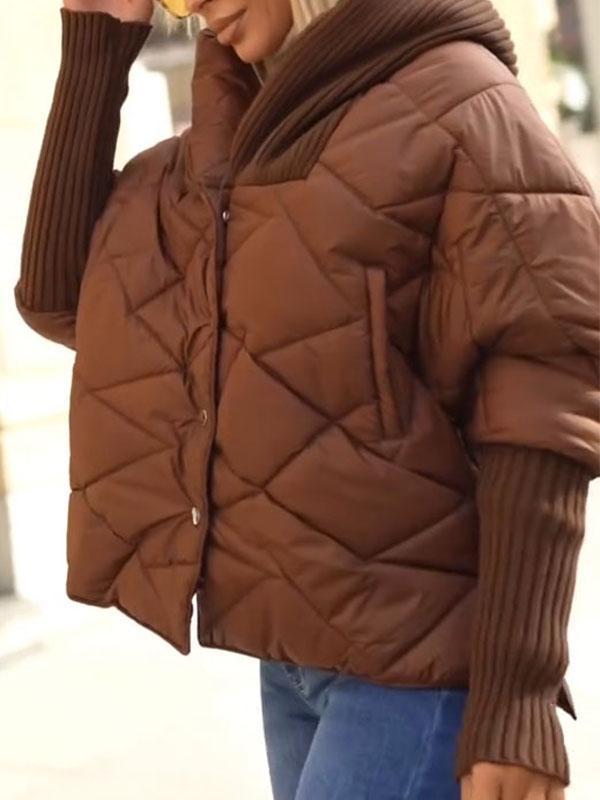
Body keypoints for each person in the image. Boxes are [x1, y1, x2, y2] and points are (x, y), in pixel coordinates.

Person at [15, 1, 599, 798]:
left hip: (417, 673)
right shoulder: (234, 137)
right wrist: (97, 39)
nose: (194, 4)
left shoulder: (464, 104)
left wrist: (518, 690)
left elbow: (543, 397)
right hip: (292, 665)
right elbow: (63, 298)